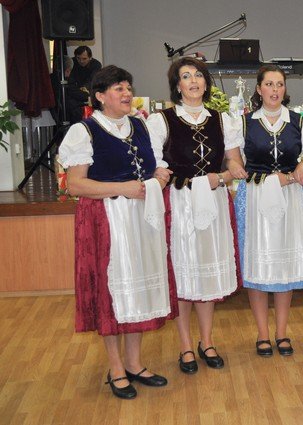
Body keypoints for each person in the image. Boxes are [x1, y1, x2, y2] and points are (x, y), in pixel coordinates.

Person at [58, 65, 178, 399]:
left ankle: (135, 363)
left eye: (128, 87)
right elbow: (75, 185)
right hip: (106, 218)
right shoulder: (84, 131)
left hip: (141, 217)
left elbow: (155, 165)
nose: (127, 94)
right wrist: (123, 188)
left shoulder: (140, 125)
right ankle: (115, 368)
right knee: (112, 293)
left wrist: (160, 175)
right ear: (100, 96)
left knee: (137, 292)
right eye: (118, 89)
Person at [147, 57, 246, 374]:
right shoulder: (161, 121)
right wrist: (159, 175)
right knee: (184, 273)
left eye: (198, 75)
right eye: (186, 76)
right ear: (177, 85)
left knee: (206, 273)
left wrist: (227, 175)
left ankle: (207, 341)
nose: (193, 81)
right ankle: (185, 345)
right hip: (180, 203)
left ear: (206, 82)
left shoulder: (222, 120)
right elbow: (154, 166)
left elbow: (234, 162)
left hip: (214, 200)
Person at [234, 64, 303, 357]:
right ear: (258, 89)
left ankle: (282, 332)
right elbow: (233, 162)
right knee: (257, 266)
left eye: (279, 84)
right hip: (256, 198)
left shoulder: (300, 122)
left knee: (285, 268)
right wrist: (235, 168)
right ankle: (262, 333)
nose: (275, 90)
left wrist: (301, 169)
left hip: (290, 197)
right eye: (269, 84)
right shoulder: (243, 123)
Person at [50, 56, 89, 124]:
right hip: (68, 114)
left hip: (54, 113)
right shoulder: (66, 81)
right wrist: (87, 94)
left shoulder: (50, 78)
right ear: (68, 70)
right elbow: (78, 94)